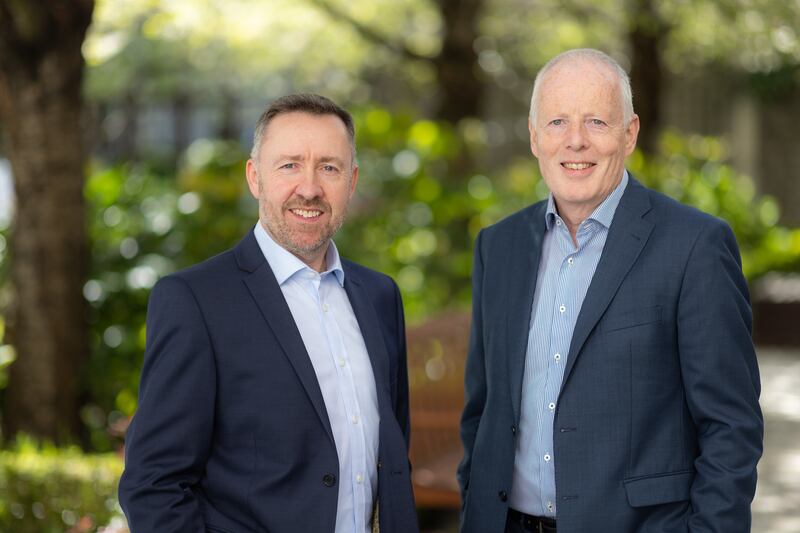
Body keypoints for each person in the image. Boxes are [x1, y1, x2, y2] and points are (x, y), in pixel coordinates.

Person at [458, 49, 763, 533]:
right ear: (535, 137)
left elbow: (731, 428)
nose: (575, 141)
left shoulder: (694, 246)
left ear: (630, 134)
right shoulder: (498, 247)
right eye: (557, 122)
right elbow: (482, 410)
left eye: (597, 121)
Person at [119, 93, 419, 533]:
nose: (310, 188)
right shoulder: (195, 301)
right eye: (289, 165)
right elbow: (153, 485)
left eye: (329, 168)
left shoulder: (379, 296)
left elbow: (391, 459)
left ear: (352, 181)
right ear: (254, 177)